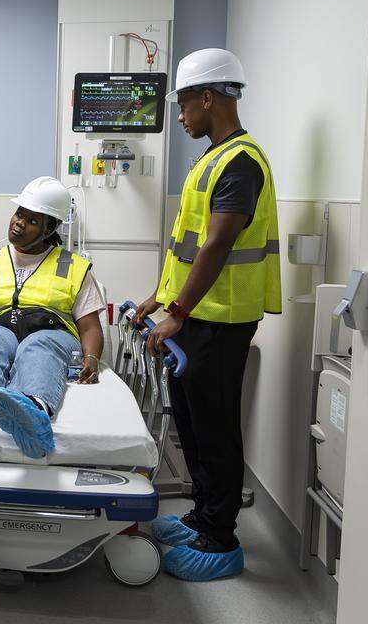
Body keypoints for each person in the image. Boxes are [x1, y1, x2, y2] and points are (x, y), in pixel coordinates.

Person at [134, 48, 281, 581]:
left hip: (220, 320)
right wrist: (158, 297)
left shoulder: (241, 163)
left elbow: (218, 246)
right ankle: (201, 514)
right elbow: (188, 248)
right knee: (190, 423)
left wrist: (176, 311)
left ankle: (220, 538)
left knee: (215, 426)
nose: (179, 117)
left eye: (182, 105)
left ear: (208, 97)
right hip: (195, 316)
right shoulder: (212, 158)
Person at [0, 176, 105, 459]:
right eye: (20, 213)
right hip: (2, 328)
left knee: (37, 346)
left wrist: (91, 358)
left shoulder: (75, 267)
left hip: (54, 334)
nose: (19, 222)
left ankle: (32, 409)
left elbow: (90, 326)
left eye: (32, 221)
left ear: (50, 228)